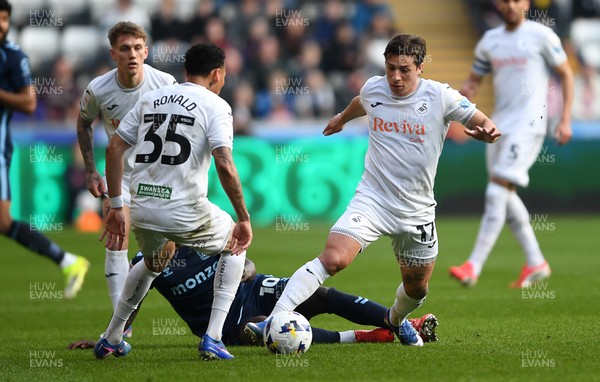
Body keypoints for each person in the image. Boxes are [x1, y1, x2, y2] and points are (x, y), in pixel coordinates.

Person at [247, 34, 501, 347]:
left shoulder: (440, 96)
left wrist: (488, 129)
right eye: (390, 67)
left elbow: (479, 118)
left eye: (404, 69)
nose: (395, 76)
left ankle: (395, 321)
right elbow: (361, 103)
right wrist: (341, 119)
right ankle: (276, 319)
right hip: (373, 199)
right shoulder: (374, 88)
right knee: (333, 258)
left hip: (416, 211)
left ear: (420, 68)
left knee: (417, 289)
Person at [95, 42, 252, 361]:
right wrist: (243, 217)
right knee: (236, 241)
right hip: (184, 209)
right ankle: (214, 337)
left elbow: (113, 148)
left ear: (185, 71)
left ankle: (112, 337)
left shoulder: (150, 98)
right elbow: (224, 162)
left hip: (142, 207)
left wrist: (115, 205)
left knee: (154, 262)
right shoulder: (216, 105)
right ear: (217, 74)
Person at [67, 248, 439, 351]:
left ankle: (397, 322)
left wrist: (246, 267)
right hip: (225, 323)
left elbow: (244, 257)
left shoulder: (202, 229)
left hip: (253, 289)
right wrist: (114, 337)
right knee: (273, 334)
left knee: (320, 294)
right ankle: (365, 336)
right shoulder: (148, 262)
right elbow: (133, 299)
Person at [449, 0, 573, 288]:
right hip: (499, 125)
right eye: (504, 1)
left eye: (515, 0)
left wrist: (564, 119)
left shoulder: (542, 36)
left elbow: (566, 74)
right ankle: (535, 261)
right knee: (504, 193)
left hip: (530, 124)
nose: (509, 5)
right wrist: (464, 95)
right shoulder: (490, 41)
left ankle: (473, 266)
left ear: (526, 3)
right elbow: (473, 82)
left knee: (496, 191)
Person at [76, 21, 177, 332]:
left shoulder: (166, 84)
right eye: (124, 49)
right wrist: (91, 170)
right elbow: (83, 124)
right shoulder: (98, 89)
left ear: (146, 52)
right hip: (121, 177)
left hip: (160, 180)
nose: (132, 54)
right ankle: (120, 329)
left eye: (137, 48)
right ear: (113, 54)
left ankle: (127, 313)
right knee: (116, 240)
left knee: (164, 254)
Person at [0, 0, 89, 299]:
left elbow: (28, 102)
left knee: (3, 221)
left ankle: (68, 261)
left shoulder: (13, 57)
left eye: (4, 19)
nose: (1, 24)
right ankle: (67, 261)